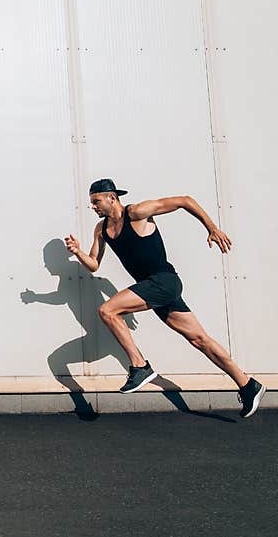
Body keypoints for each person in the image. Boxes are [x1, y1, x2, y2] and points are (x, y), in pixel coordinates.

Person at [64, 178, 265, 418]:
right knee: (199, 340)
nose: (93, 207)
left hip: (164, 281)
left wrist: (212, 228)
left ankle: (140, 366)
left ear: (112, 197)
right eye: (91, 203)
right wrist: (78, 253)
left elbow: (184, 201)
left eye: (96, 201)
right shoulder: (102, 229)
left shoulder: (137, 212)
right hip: (153, 289)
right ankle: (248, 385)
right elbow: (94, 264)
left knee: (107, 310)